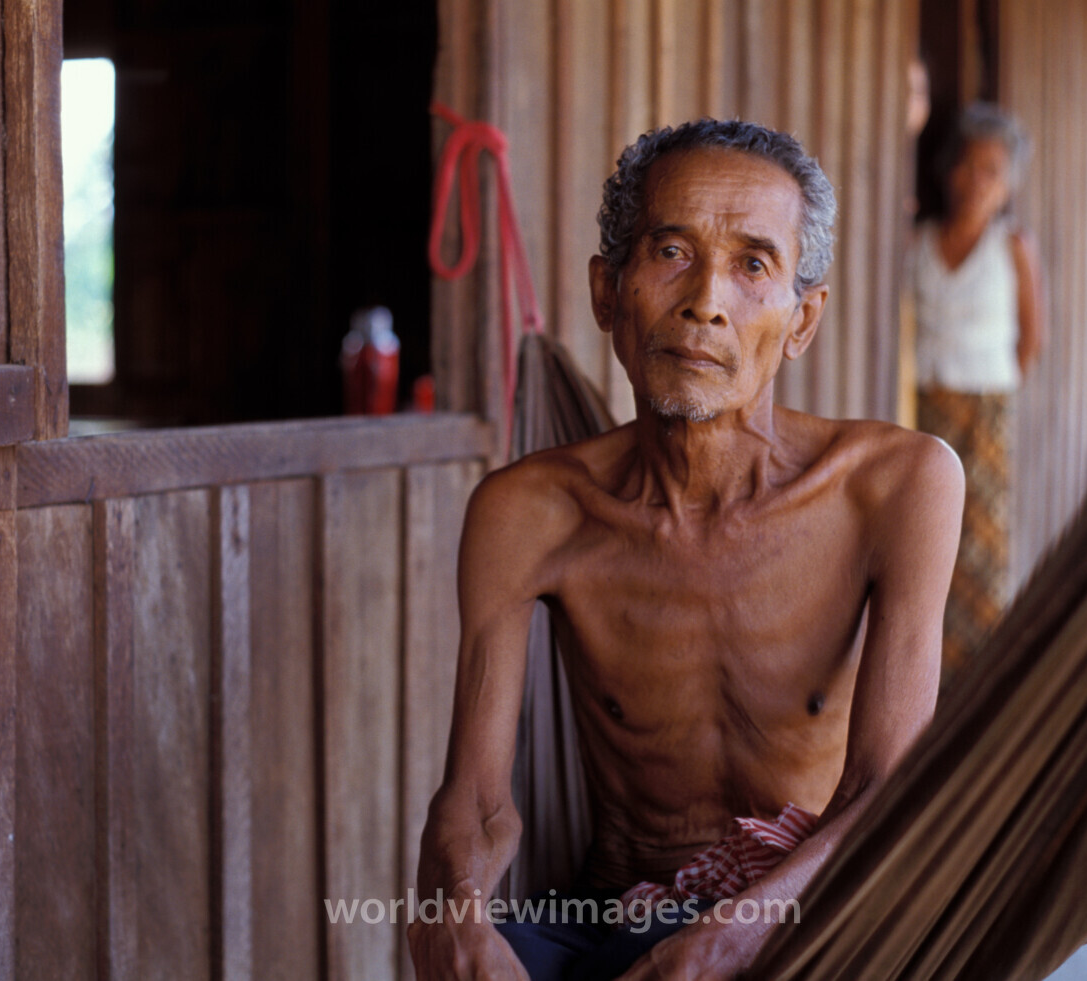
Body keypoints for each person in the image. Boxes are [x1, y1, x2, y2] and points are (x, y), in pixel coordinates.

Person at [409, 119, 963, 981]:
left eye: (753, 265)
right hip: (605, 920)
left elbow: (885, 794)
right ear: (607, 293)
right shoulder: (530, 511)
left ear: (802, 319)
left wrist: (732, 936)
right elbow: (476, 800)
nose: (707, 300)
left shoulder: (896, 488)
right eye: (671, 251)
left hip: (804, 922)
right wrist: (457, 914)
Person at [908, 102, 1045, 678]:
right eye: (967, 166)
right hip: (926, 403)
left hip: (988, 411)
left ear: (1009, 183)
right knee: (925, 536)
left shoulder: (1012, 246)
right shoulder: (917, 241)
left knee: (981, 545)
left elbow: (1031, 340)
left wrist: (991, 388)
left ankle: (977, 674)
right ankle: (924, 666)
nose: (976, 181)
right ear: (946, 171)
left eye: (992, 170)